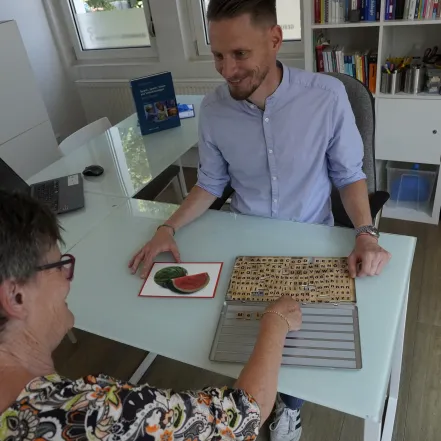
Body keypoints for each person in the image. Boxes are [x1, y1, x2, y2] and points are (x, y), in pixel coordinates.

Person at [129, 0, 392, 440]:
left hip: (310, 236)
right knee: (224, 331)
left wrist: (365, 232)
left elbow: (349, 174)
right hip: (244, 236)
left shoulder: (326, 97)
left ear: (274, 40)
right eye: (217, 55)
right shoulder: (214, 110)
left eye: (239, 54)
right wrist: (167, 227)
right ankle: (252, 400)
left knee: (304, 342)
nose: (226, 70)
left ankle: (289, 407)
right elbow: (210, 182)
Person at [0, 189, 302, 441]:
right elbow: (243, 415)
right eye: (58, 266)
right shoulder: (92, 416)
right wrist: (275, 322)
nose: (68, 278)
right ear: (16, 296)